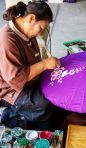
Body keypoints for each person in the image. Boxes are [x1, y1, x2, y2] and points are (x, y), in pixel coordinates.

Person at [0, 0, 70, 130]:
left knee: (60, 88)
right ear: (31, 18)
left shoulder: (27, 32)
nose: (40, 32)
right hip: (8, 89)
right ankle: (10, 117)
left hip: (29, 80)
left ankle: (58, 121)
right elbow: (14, 79)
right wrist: (44, 64)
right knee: (44, 104)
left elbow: (34, 62)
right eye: (41, 28)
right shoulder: (6, 39)